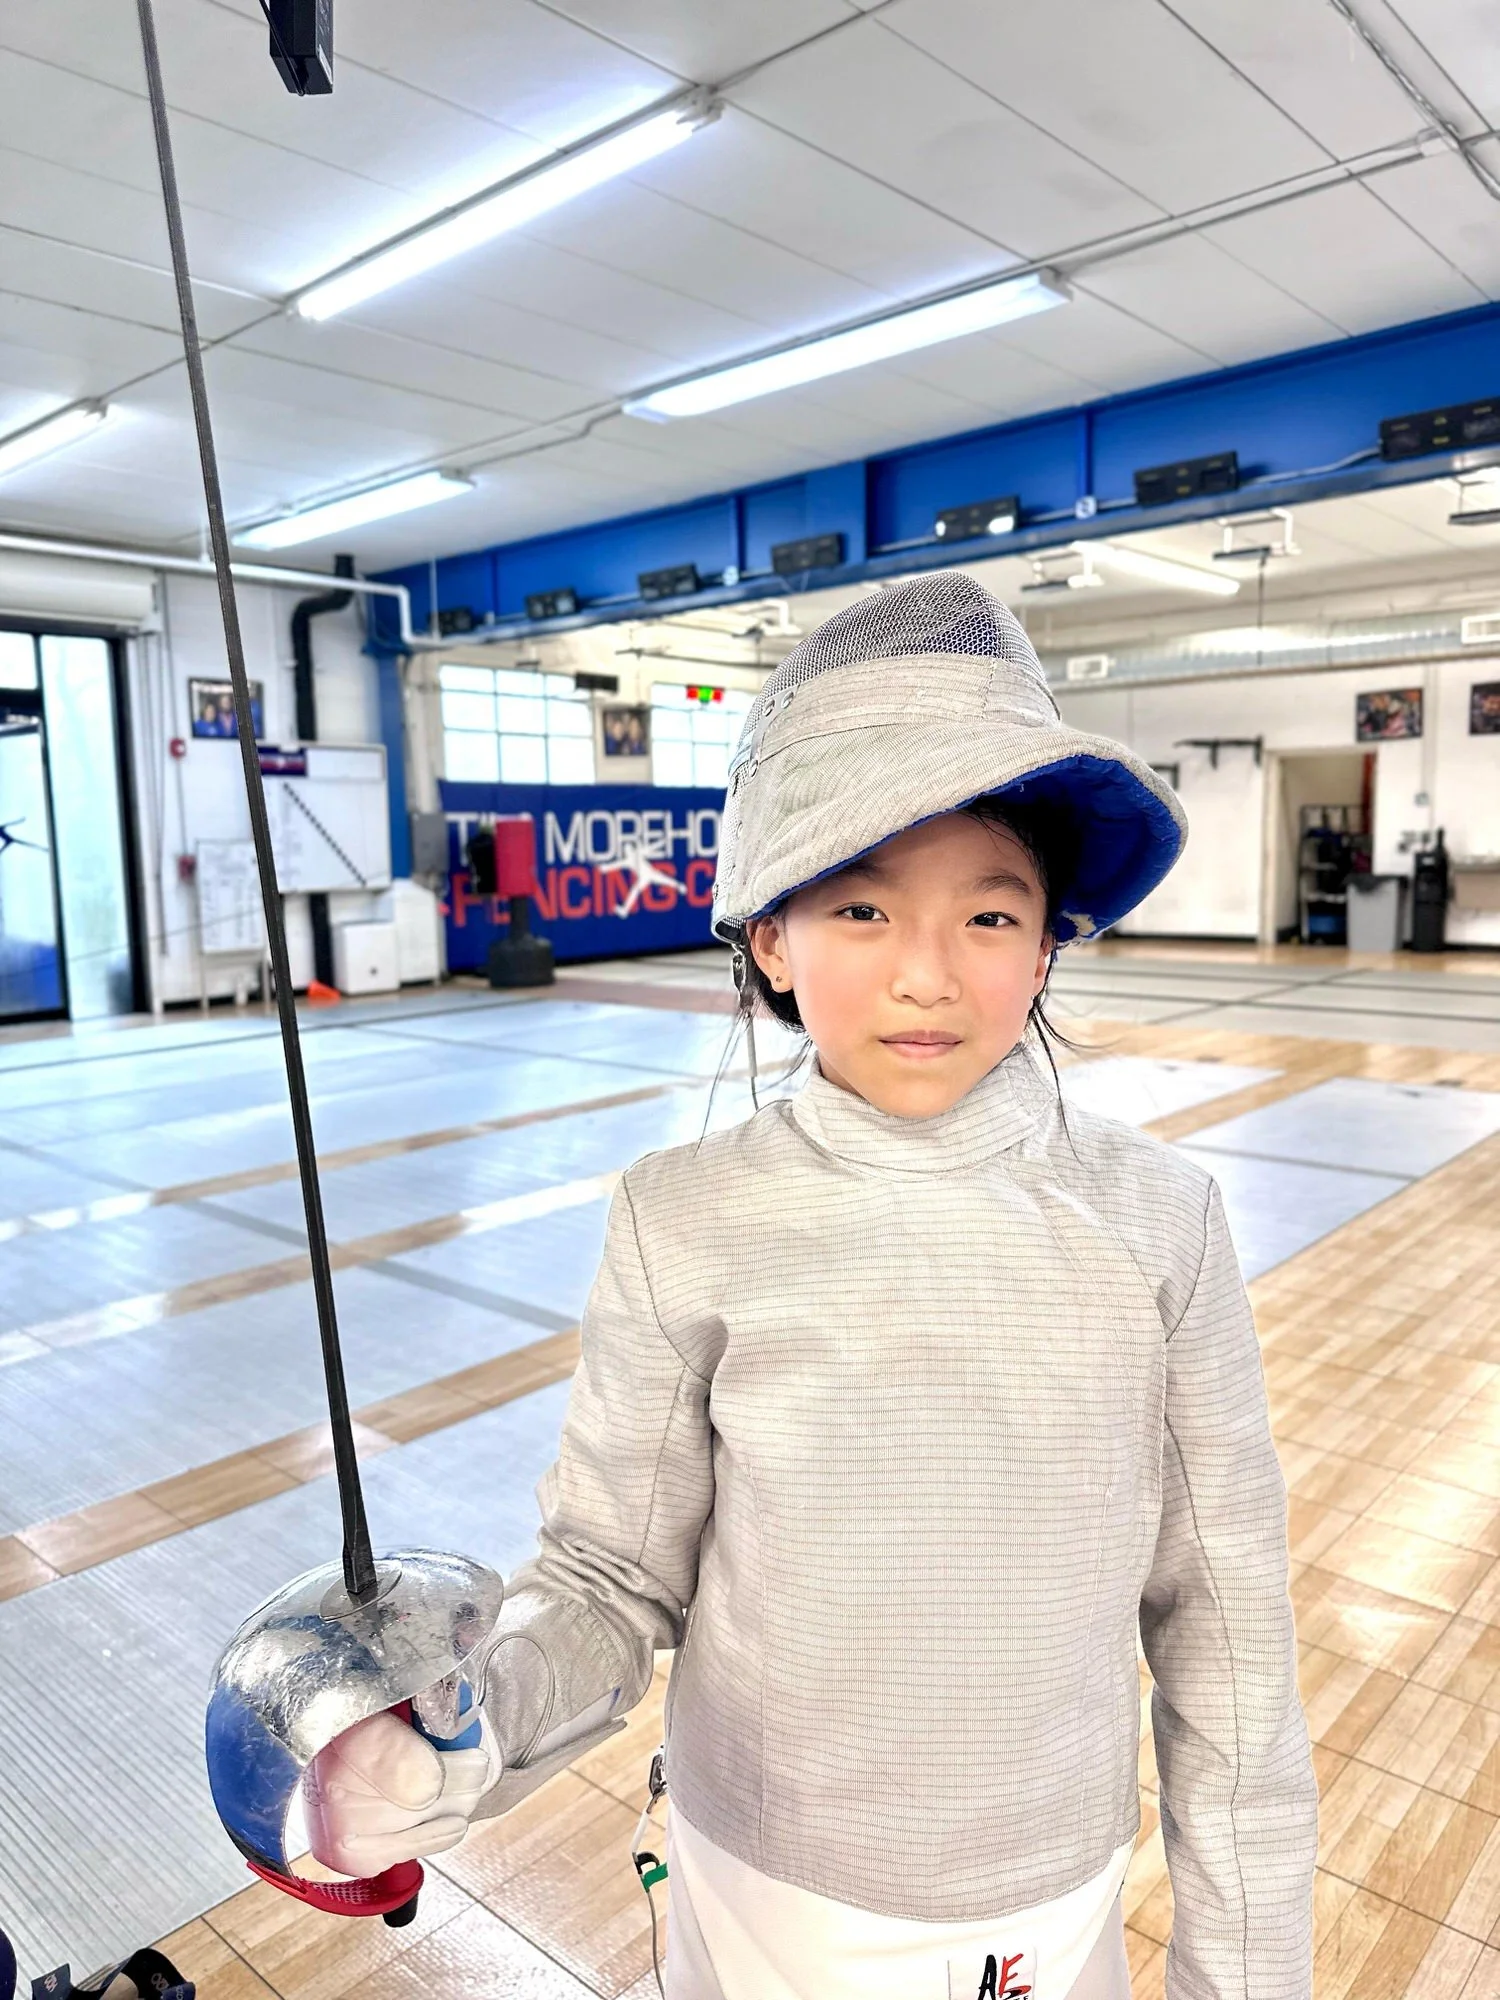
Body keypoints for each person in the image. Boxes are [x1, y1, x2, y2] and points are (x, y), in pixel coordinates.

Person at [302, 573, 1318, 1998]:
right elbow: (607, 1578)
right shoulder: (683, 1218)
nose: (925, 975)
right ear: (770, 937)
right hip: (759, 1886)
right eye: (858, 906)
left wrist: (1250, 1975)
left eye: (988, 915)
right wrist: (461, 1733)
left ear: (1049, 940)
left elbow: (1226, 1633)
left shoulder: (1163, 1222)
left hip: (1048, 1889)